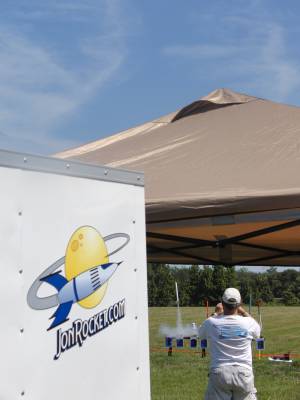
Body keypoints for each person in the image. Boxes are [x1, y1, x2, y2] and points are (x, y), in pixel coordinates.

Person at [198, 288, 260, 400]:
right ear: (239, 303)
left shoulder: (212, 322)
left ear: (222, 302)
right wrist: (243, 312)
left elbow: (201, 334)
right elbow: (257, 333)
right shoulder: (248, 322)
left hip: (219, 373)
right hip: (244, 373)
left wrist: (216, 313)